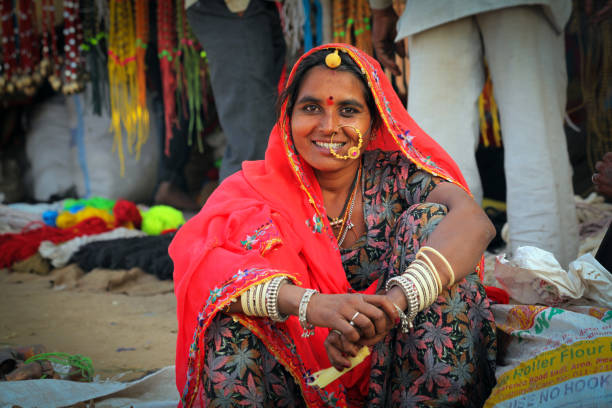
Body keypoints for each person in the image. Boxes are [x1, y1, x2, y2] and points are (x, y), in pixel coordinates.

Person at [170, 44, 497, 407]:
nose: (329, 127)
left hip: (399, 365)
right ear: (287, 117)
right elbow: (204, 269)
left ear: (373, 123)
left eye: (348, 110)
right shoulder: (254, 192)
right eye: (311, 108)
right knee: (230, 310)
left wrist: (393, 305)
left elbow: (473, 221)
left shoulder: (397, 178)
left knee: (431, 221)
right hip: (303, 376)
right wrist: (312, 305)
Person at [370, 0, 579, 268]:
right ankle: (545, 279)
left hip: (433, 8)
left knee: (438, 153)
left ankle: (444, 281)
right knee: (536, 140)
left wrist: (380, 8)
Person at [186, 0, 285, 181]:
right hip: (232, 8)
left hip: (247, 8)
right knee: (251, 127)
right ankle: (242, 204)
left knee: (258, 115)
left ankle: (249, 200)